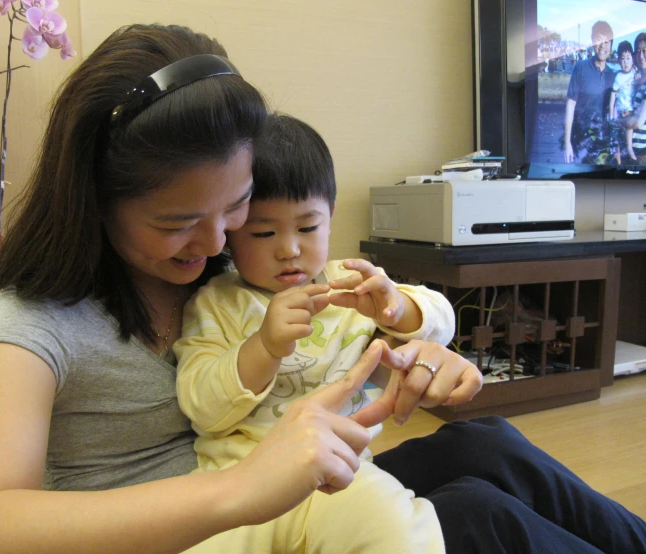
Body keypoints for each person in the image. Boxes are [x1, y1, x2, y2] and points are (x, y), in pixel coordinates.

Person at [0, 21, 646, 554]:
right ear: (94, 198)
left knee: (484, 447)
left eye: (236, 206)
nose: (217, 242)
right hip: (189, 534)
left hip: (278, 498)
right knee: (473, 519)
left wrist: (416, 352)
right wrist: (236, 492)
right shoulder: (39, 322)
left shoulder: (229, 269)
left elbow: (363, 334)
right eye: (179, 220)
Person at [174, 113, 457, 552]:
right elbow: (202, 406)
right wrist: (263, 347)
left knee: (402, 531)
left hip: (340, 474)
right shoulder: (216, 302)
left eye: (307, 227)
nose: (289, 248)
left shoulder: (351, 282)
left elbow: (442, 321)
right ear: (230, 235)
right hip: (239, 480)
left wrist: (397, 308)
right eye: (264, 231)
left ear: (331, 217)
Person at [563, 20, 615, 164]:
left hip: (603, 144)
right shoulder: (580, 67)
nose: (603, 46)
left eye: (607, 42)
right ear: (592, 42)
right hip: (581, 142)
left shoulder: (613, 75)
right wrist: (567, 144)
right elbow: (570, 105)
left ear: (611, 45)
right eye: (599, 40)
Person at [624, 32, 646, 164]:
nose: (641, 56)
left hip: (640, 153)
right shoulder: (639, 82)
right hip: (631, 149)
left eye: (645, 51)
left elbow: (638, 122)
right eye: (638, 52)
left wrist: (617, 121)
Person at [609, 40, 637, 163]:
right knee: (616, 134)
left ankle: (630, 148)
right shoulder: (618, 77)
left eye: (628, 58)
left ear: (632, 59)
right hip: (621, 110)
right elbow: (613, 96)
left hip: (631, 109)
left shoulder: (635, 72)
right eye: (622, 59)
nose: (626, 62)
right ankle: (617, 155)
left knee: (629, 129)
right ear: (619, 61)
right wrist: (611, 114)